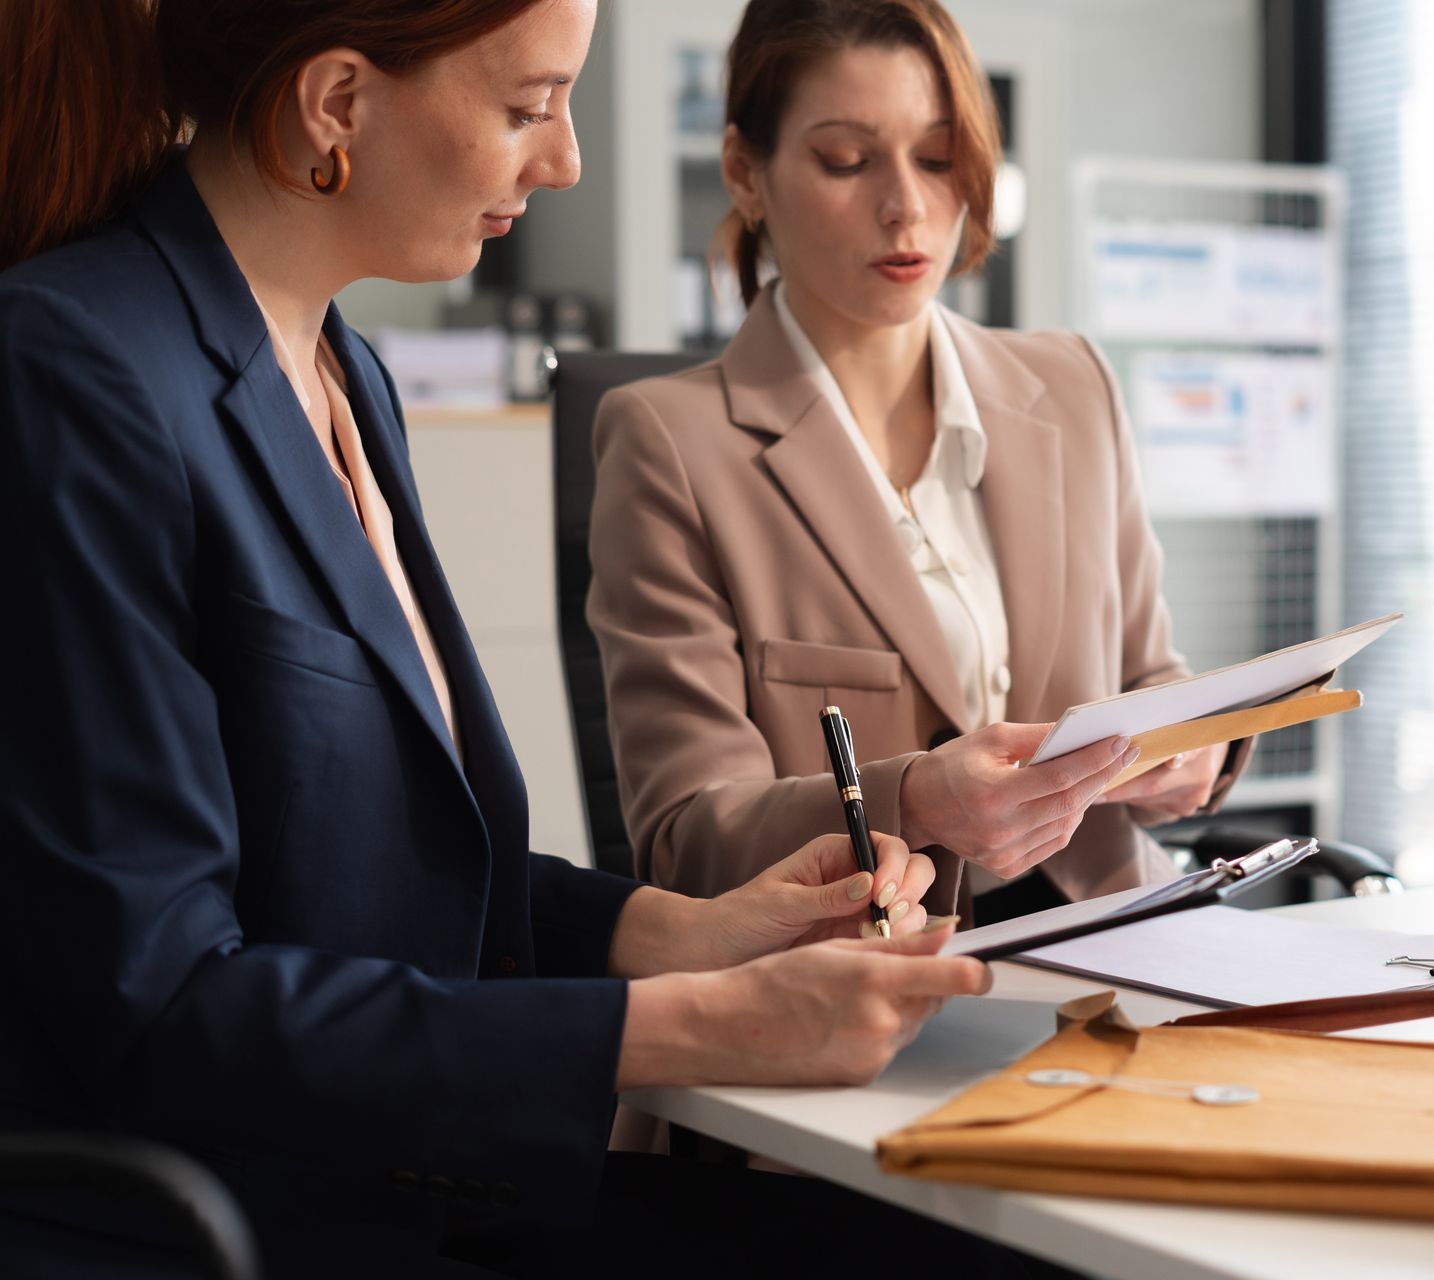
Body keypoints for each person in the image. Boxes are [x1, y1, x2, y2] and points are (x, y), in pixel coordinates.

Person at [0, 3, 1033, 1275]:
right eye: (527, 106)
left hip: (403, 1177)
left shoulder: (342, 372)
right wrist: (680, 1026)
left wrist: (681, 932)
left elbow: (376, 873)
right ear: (336, 103)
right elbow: (159, 1002)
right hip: (245, 1222)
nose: (565, 160)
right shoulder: (77, 369)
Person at [587, 0, 1253, 926]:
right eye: (846, 161)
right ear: (745, 171)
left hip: (1116, 938)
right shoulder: (670, 440)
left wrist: (1191, 746)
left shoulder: (1073, 385)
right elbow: (687, 836)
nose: (905, 204)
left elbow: (1150, 674)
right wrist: (916, 800)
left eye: (938, 158)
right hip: (860, 974)